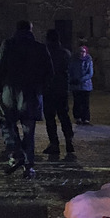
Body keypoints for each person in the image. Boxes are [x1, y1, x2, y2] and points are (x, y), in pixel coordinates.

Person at [0, 20, 52, 178]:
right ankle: (28, 164)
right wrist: (41, 89)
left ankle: (16, 152)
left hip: (11, 93)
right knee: (28, 131)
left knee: (7, 123)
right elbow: (49, 72)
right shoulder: (39, 48)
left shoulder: (8, 45)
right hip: (31, 94)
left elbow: (0, 68)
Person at [42, 30, 75, 161]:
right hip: (62, 89)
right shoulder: (65, 53)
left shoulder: (46, 53)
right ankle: (68, 140)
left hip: (49, 89)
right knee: (63, 115)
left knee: (50, 118)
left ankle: (54, 143)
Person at [69, 44, 93, 125]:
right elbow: (70, 70)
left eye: (83, 52)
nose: (81, 53)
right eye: (80, 51)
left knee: (85, 102)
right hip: (76, 85)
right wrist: (73, 79)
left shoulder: (89, 60)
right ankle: (78, 117)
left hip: (85, 85)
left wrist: (81, 79)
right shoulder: (73, 60)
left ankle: (86, 118)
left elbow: (90, 73)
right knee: (77, 102)